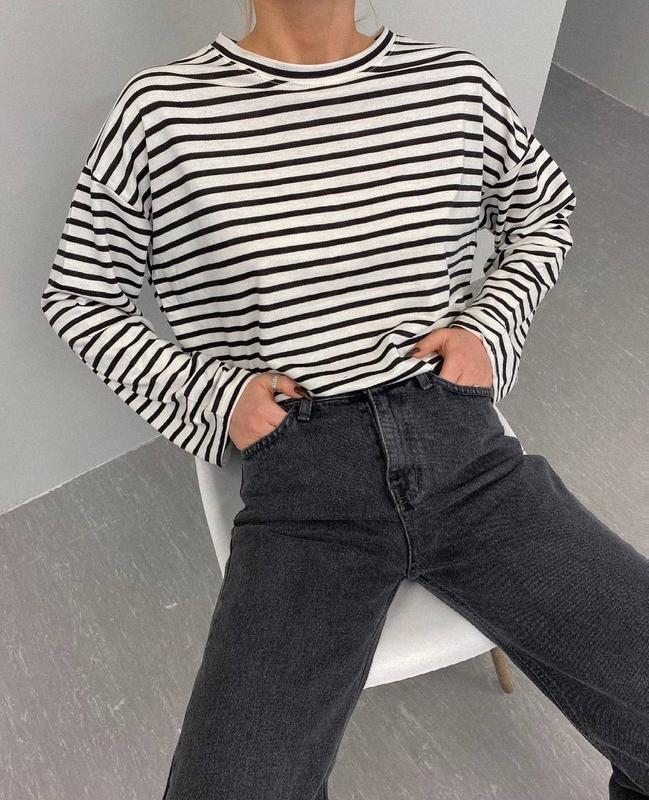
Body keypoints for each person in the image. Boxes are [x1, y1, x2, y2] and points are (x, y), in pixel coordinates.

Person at [40, 1, 649, 798]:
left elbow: (542, 212)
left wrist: (486, 329)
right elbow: (79, 295)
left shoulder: (454, 85)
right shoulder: (161, 114)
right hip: (303, 480)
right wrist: (215, 398)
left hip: (461, 451)